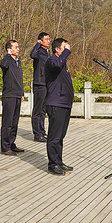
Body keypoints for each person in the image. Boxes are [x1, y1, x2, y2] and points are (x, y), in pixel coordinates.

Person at [45, 38, 75, 175]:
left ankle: (59, 161)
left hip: (65, 103)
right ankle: (53, 164)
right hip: (56, 103)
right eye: (64, 47)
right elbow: (56, 66)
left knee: (61, 136)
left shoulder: (62, 63)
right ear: (57, 49)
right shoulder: (52, 60)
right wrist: (66, 52)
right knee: (54, 136)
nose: (67, 49)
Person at [0, 40, 25, 155]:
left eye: (18, 47)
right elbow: (3, 65)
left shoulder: (18, 61)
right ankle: (5, 147)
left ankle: (11, 143)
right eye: (15, 47)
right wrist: (8, 55)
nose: (18, 49)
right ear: (9, 49)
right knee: (8, 123)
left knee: (14, 123)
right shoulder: (7, 60)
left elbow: (19, 79)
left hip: (17, 95)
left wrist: (22, 93)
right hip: (9, 95)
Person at [29, 32, 51, 142]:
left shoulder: (47, 52)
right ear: (40, 41)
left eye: (49, 39)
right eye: (46, 39)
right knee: (37, 110)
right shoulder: (38, 51)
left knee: (43, 110)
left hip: (46, 83)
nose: (48, 41)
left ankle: (42, 132)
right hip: (39, 83)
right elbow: (32, 55)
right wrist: (37, 44)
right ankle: (37, 134)